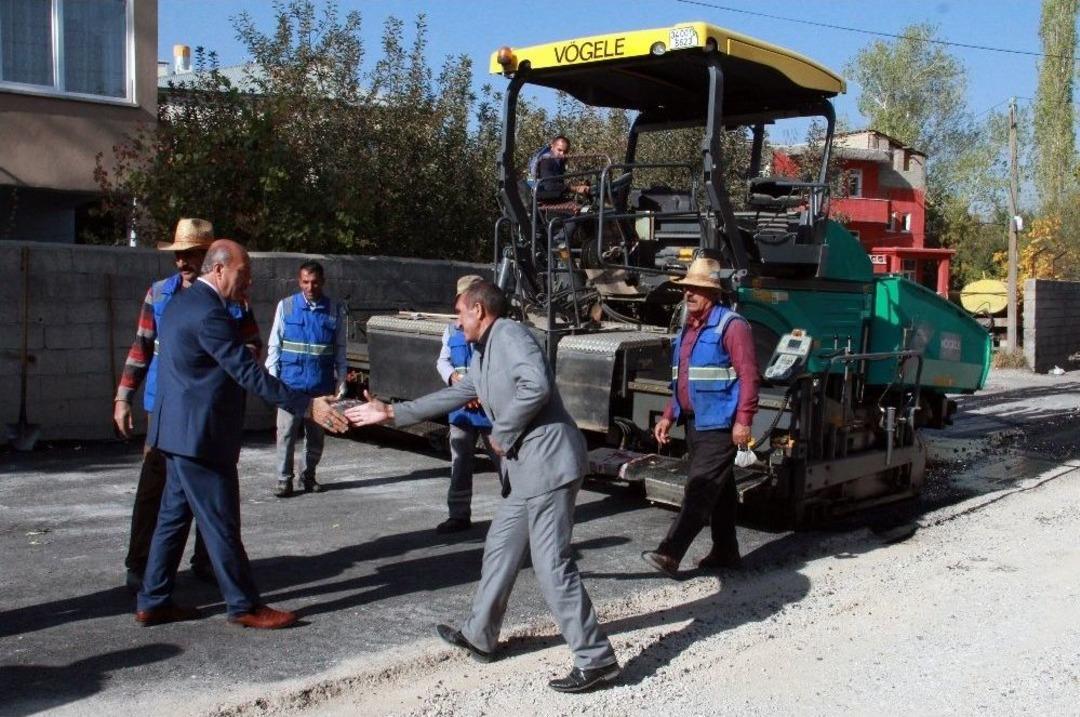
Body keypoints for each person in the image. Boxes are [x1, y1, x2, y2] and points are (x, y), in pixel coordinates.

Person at [345, 280, 620, 694]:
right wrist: (392, 412)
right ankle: (480, 634)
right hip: (525, 473)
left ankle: (596, 659)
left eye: (459, 314)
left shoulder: (510, 335)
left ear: (478, 310)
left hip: (548, 466)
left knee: (551, 564)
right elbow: (458, 393)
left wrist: (504, 432)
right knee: (500, 549)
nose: (457, 323)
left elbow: (537, 387)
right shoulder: (481, 350)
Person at [135, 239, 349, 630]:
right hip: (200, 437)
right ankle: (244, 604)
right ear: (218, 270)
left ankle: (153, 599)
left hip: (177, 433)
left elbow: (198, 366)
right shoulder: (209, 313)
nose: (247, 282)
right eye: (242, 274)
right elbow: (247, 373)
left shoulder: (183, 302)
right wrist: (307, 405)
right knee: (221, 523)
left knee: (172, 519)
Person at [113, 217, 263, 594]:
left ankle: (204, 562)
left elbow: (252, 346)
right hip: (165, 407)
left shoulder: (232, 299)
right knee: (155, 490)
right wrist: (123, 396)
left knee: (209, 492)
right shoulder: (160, 294)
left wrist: (227, 361)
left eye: (190, 254)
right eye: (178, 255)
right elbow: (141, 347)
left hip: (209, 411)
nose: (182, 262)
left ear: (209, 258)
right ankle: (140, 565)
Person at [641, 256, 760, 578]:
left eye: (696, 289)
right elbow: (682, 378)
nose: (688, 294)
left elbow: (749, 375)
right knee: (719, 490)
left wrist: (744, 421)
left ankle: (670, 553)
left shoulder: (732, 326)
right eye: (687, 288)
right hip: (695, 421)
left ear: (713, 293)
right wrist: (669, 414)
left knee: (700, 487)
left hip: (721, 423)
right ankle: (726, 550)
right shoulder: (689, 330)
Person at [265, 260, 348, 497]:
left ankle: (308, 476)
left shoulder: (334, 309)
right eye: (305, 282)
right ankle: (283, 479)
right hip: (290, 385)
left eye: (314, 282)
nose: (309, 287)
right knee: (286, 433)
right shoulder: (287, 306)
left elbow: (340, 348)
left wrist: (341, 378)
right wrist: (274, 380)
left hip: (320, 387)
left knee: (316, 437)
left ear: (322, 282)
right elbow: (275, 344)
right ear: (299, 281)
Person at [433, 274, 501, 533]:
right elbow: (442, 361)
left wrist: (477, 392)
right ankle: (458, 515)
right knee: (460, 463)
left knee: (505, 463)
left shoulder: (495, 331)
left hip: (489, 409)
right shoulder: (451, 329)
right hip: (462, 408)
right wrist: (453, 377)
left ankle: (519, 515)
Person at [530, 134, 591, 205]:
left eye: (565, 152)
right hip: (543, 200)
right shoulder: (546, 161)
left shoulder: (559, 161)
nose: (562, 154)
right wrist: (575, 189)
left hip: (554, 196)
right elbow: (550, 186)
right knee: (577, 208)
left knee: (581, 207)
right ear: (552, 146)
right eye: (559, 150)